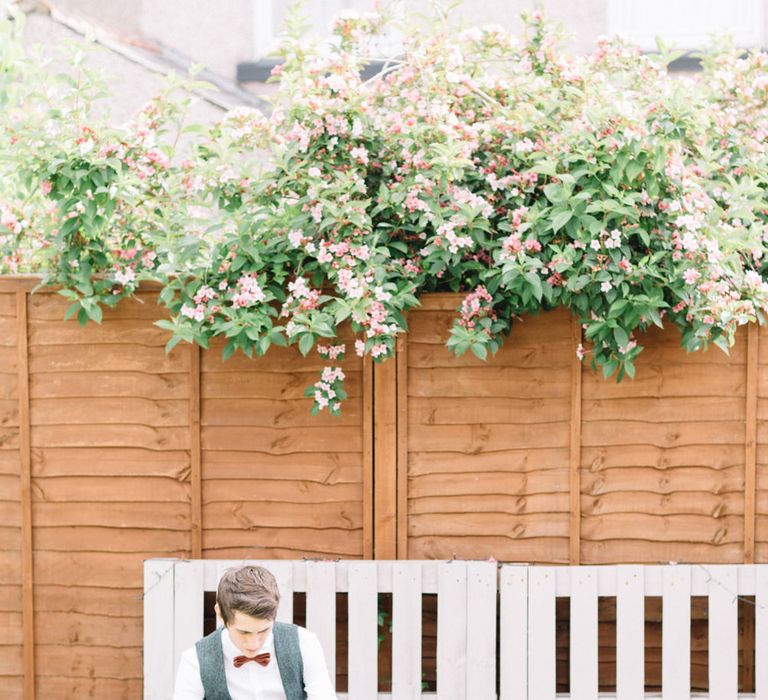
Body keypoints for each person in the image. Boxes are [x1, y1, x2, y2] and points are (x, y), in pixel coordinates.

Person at [172, 565, 337, 700]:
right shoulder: (195, 659)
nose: (254, 644)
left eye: (264, 630)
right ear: (220, 614)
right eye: (244, 632)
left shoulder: (304, 643)